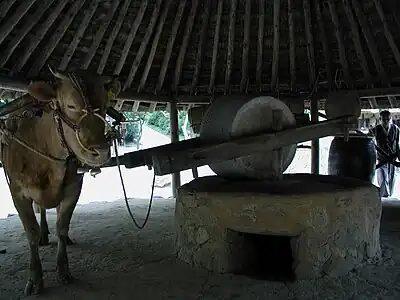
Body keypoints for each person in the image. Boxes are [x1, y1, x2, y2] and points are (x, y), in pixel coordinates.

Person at [370, 110, 400, 197]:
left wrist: (397, 156)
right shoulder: (376, 129)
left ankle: (390, 196)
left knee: (392, 179)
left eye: (388, 119)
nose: (386, 121)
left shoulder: (396, 129)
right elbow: (369, 140)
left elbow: (397, 144)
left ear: (390, 119)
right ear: (380, 119)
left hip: (392, 158)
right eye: (384, 120)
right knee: (382, 180)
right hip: (381, 158)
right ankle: (384, 197)